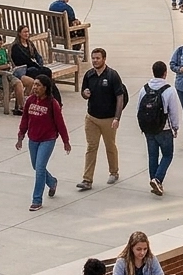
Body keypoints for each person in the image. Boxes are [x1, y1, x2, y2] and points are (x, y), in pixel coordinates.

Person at [17, 74, 70, 211]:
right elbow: (24, 119)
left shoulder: (53, 103)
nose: (35, 87)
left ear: (45, 88)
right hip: (33, 139)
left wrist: (66, 141)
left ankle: (37, 200)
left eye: (38, 85)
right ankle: (52, 182)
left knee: (40, 168)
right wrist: (20, 136)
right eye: (34, 84)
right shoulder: (30, 101)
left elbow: (60, 123)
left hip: (48, 139)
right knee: (36, 166)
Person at [78, 47, 124, 190]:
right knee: (91, 147)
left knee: (110, 146)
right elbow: (83, 92)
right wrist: (85, 94)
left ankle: (114, 172)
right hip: (91, 117)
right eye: (93, 58)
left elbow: (120, 97)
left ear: (104, 59)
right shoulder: (89, 75)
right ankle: (87, 180)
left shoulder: (112, 75)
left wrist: (117, 117)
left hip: (108, 119)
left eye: (98, 58)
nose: (95, 61)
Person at [140, 61, 182, 197]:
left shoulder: (144, 89)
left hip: (148, 129)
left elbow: (138, 109)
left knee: (153, 156)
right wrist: (175, 127)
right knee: (167, 155)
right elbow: (174, 111)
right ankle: (157, 179)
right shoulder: (169, 90)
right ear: (165, 73)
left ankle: (154, 181)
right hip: (164, 129)